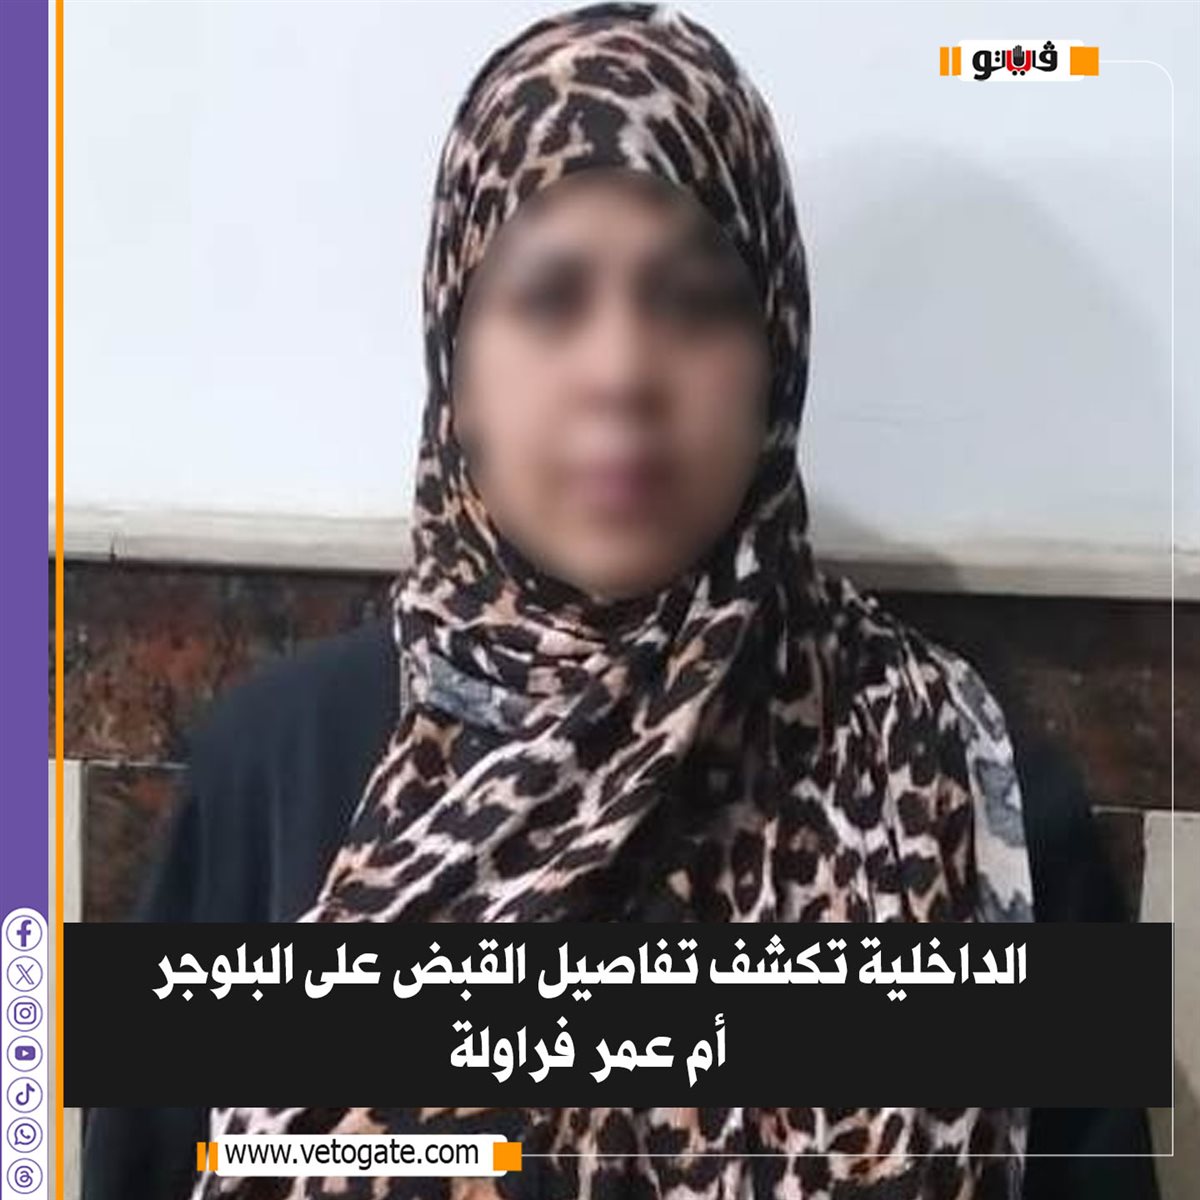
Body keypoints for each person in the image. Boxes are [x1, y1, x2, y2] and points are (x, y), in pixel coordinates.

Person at [81, 4, 1160, 1199]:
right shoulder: (276, 773)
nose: (622, 374)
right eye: (549, 299)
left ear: (776, 356)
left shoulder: (975, 790)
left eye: (693, 301)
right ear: (456, 364)